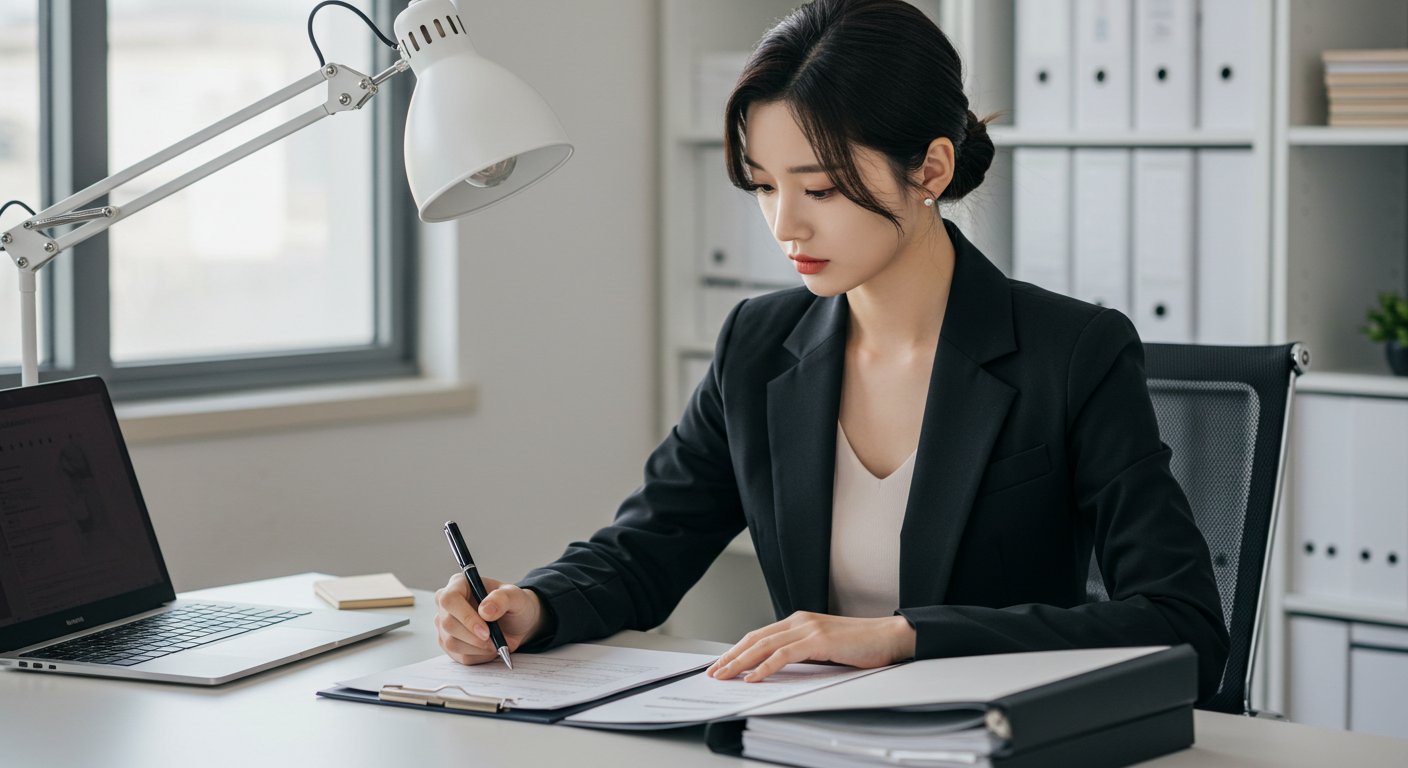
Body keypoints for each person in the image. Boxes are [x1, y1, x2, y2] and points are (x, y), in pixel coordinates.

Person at [435, 0, 1230, 703]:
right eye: (763, 185)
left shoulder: (1072, 354)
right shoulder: (758, 343)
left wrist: (904, 634)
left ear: (931, 168)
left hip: (989, 743)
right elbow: (651, 545)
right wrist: (533, 607)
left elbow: (1184, 626)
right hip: (808, 738)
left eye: (818, 189)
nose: (786, 226)